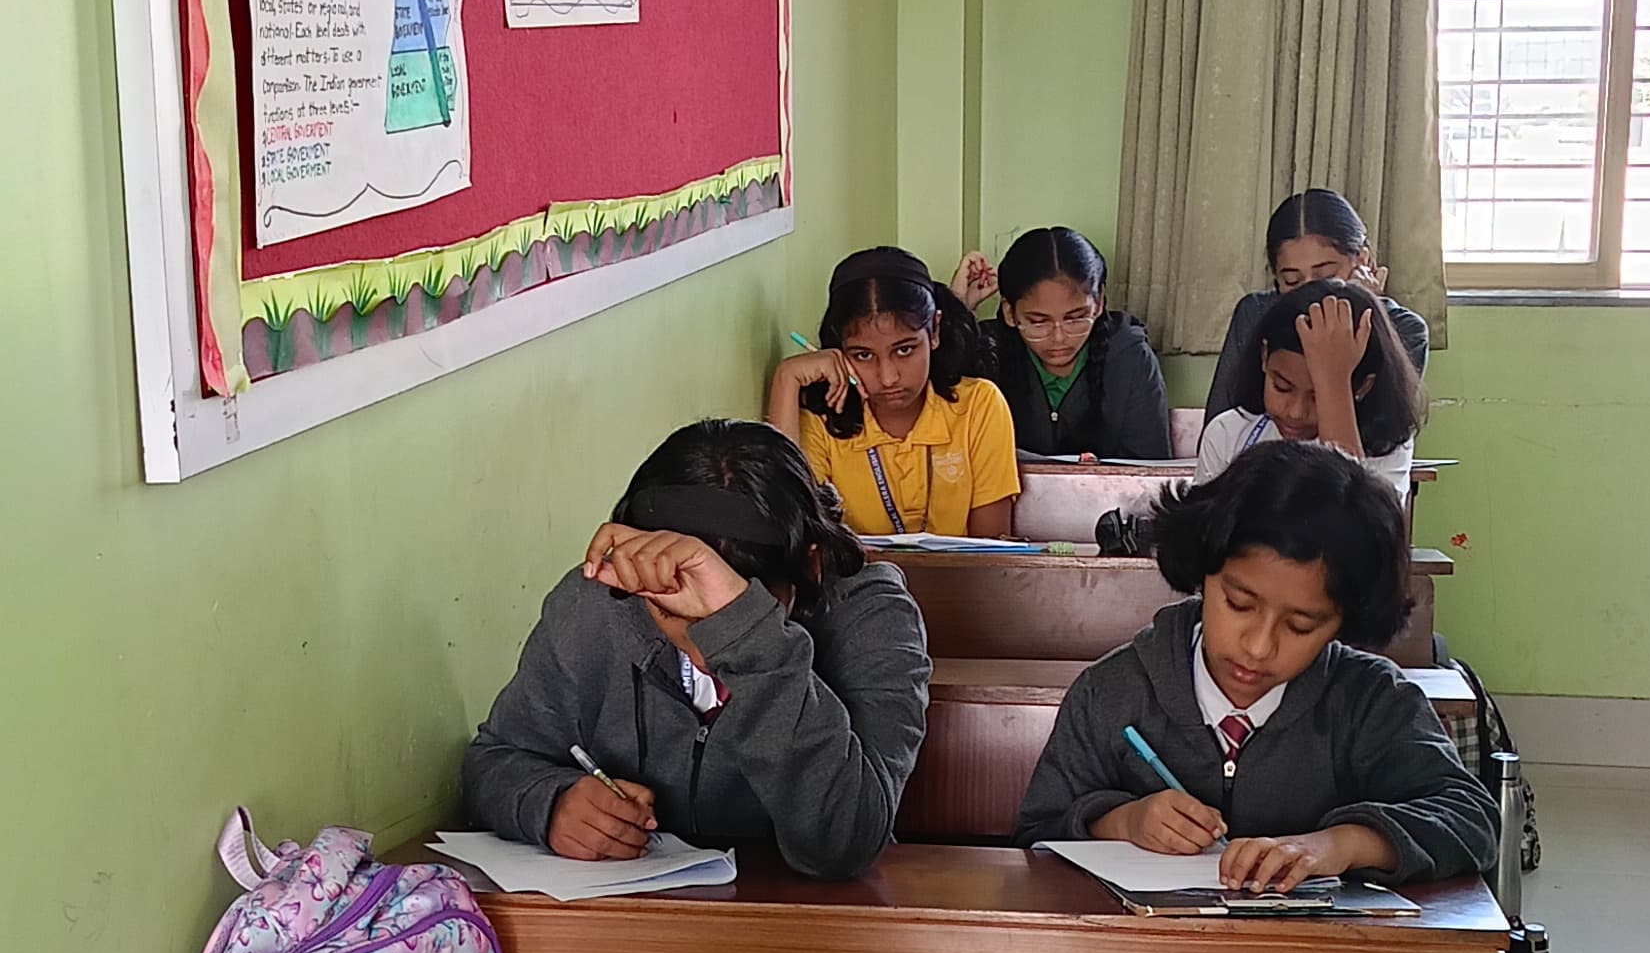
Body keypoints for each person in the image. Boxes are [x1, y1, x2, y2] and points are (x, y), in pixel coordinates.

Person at [1017, 442, 1497, 894]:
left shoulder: (1370, 700)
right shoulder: (1112, 692)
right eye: (1239, 604)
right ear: (1203, 571)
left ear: (1344, 622)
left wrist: (1342, 844)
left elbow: (1471, 819)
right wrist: (1123, 822)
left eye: (1301, 625)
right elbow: (1036, 833)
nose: (1259, 647)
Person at [465, 419, 929, 880]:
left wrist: (749, 635)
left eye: (740, 606)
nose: (704, 643)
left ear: (811, 565)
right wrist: (550, 802)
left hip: (811, 914)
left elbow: (844, 842)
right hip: (634, 911)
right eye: (671, 611)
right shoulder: (599, 601)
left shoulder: (873, 616)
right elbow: (495, 758)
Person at [767, 247, 1019, 541]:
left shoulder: (979, 405)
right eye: (863, 355)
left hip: (965, 574)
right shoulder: (821, 420)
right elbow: (786, 536)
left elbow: (991, 549)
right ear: (839, 351)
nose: (888, 378)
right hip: (853, 574)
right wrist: (786, 378)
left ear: (934, 332)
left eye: (904, 350)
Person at [1206, 187, 1431, 423]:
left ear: (1362, 261)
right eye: (1292, 281)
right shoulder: (1256, 312)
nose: (1310, 295)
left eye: (1326, 277)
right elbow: (1222, 421)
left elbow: (1383, 429)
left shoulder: (1405, 328)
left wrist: (1362, 313)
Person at [949, 228, 1171, 459]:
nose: (1059, 338)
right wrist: (959, 308)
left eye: (1075, 318)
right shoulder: (988, 350)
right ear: (1009, 312)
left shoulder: (1130, 356)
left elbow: (1149, 466)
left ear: (1098, 303)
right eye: (1038, 322)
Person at [1190, 278, 1419, 499]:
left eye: (1318, 397)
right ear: (1264, 357)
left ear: (1364, 387)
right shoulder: (1228, 434)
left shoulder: (1386, 447)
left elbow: (1354, 521)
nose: (1296, 412)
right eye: (1282, 387)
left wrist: (1334, 384)